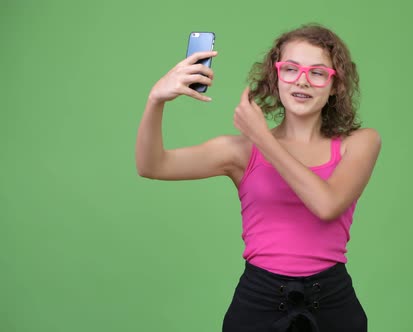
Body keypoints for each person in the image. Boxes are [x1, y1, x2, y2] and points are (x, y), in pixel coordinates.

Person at [136, 23, 381, 332]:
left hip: (332, 304)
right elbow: (152, 165)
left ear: (335, 85)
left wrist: (264, 139)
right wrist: (155, 100)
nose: (302, 80)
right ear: (275, 77)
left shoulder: (359, 143)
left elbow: (327, 204)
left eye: (318, 73)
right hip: (259, 302)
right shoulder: (240, 151)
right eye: (290, 69)